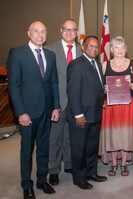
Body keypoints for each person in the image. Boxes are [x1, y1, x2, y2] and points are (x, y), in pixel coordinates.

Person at [7, 21, 60, 199]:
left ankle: (41, 180)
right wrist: (21, 112)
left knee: (44, 149)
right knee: (27, 151)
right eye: (36, 31)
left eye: (43, 31)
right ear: (28, 33)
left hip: (46, 111)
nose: (40, 34)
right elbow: (13, 86)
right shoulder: (17, 53)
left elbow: (53, 83)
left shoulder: (51, 55)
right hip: (27, 113)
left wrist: (56, 107)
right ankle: (26, 185)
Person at [66, 35, 107, 190]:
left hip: (95, 114)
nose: (94, 49)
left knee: (91, 147)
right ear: (82, 47)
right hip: (81, 116)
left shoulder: (96, 64)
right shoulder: (76, 64)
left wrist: (104, 91)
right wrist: (78, 114)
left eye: (96, 46)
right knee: (79, 148)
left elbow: (95, 87)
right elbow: (73, 91)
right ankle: (79, 178)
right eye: (90, 46)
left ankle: (91, 173)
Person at [45, 19, 82, 186]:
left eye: (73, 30)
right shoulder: (49, 49)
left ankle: (69, 164)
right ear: (61, 30)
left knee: (70, 136)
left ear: (76, 32)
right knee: (55, 137)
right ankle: (53, 170)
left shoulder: (83, 50)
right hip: (57, 102)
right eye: (66, 29)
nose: (69, 32)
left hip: (76, 102)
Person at [99, 36, 133, 176]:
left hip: (129, 105)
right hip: (111, 106)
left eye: (122, 47)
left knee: (125, 135)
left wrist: (130, 84)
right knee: (112, 135)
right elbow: (98, 86)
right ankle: (114, 163)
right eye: (116, 47)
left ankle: (123, 163)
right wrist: (103, 89)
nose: (119, 50)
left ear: (126, 49)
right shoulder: (105, 65)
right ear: (111, 49)